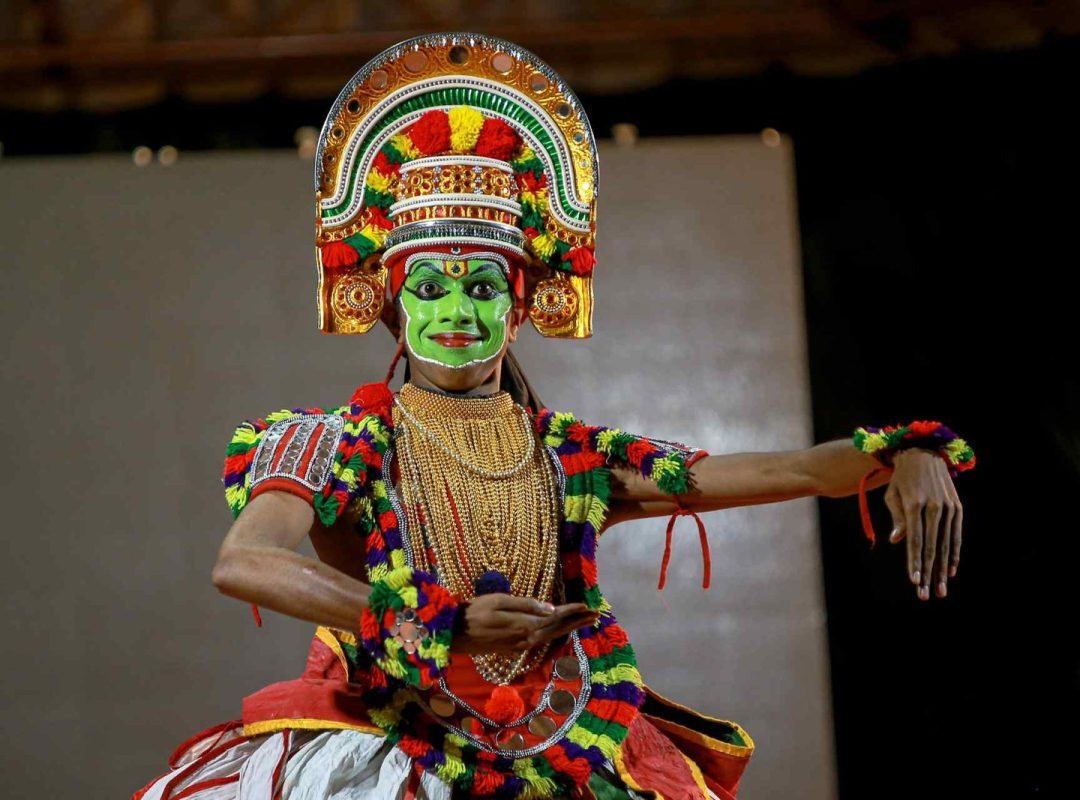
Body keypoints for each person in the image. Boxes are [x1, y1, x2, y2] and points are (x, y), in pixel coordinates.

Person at [132, 33, 974, 800]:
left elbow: (783, 469)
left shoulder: (570, 458)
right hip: (392, 748)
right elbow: (244, 562)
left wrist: (903, 452)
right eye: (429, 287)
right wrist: (440, 623)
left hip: (567, 745)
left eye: (482, 285)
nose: (455, 309)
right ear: (391, 308)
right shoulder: (341, 442)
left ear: (519, 305)